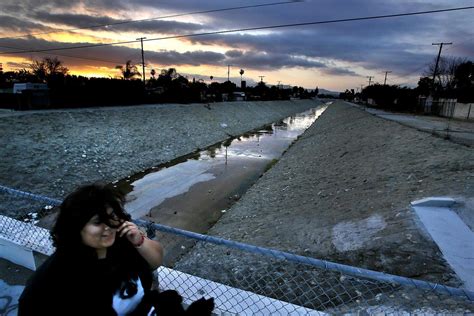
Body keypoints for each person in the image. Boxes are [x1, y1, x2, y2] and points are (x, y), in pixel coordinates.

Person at [18, 183, 164, 316]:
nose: (108, 227)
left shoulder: (122, 244)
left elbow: (156, 262)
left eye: (112, 216)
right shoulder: (56, 277)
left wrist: (139, 241)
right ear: (76, 227)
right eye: (98, 222)